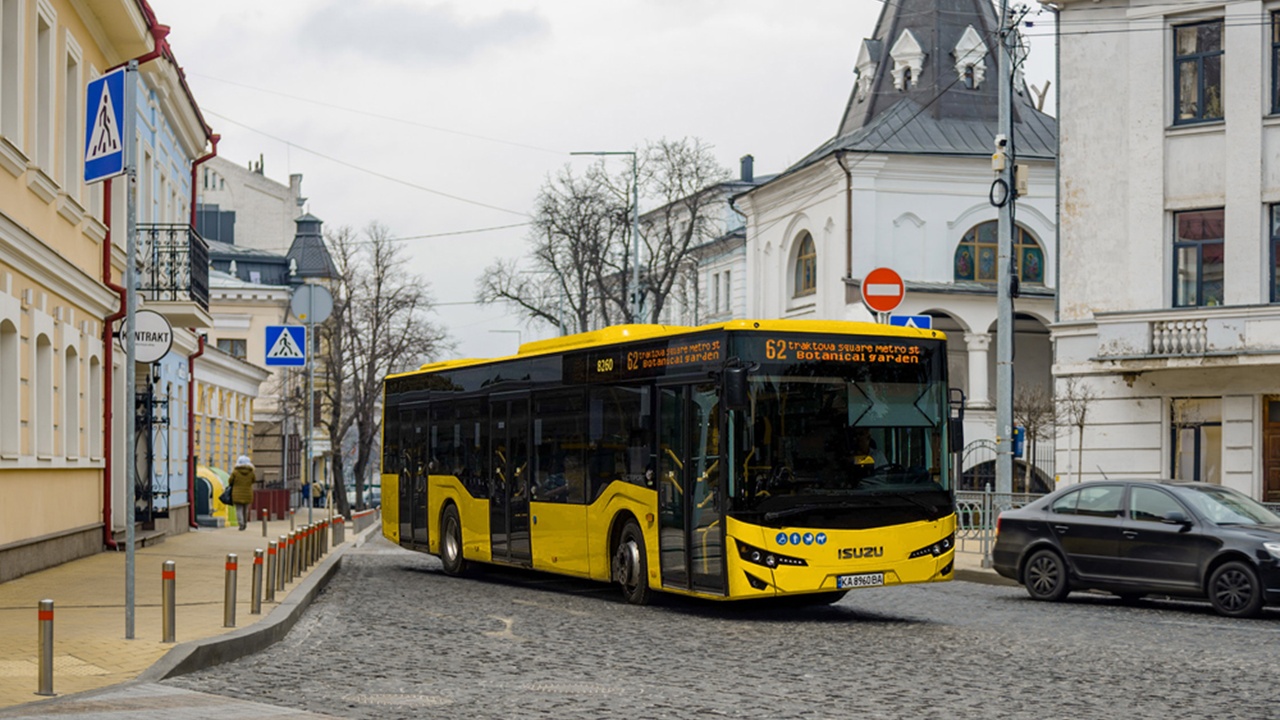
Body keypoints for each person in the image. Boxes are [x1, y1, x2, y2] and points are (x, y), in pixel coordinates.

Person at [228, 455, 257, 531]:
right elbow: (254, 480)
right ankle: (245, 523)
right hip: (248, 493)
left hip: (237, 493)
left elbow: (230, 481)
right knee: (246, 509)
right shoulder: (251, 472)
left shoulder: (235, 472)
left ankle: (241, 524)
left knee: (239, 509)